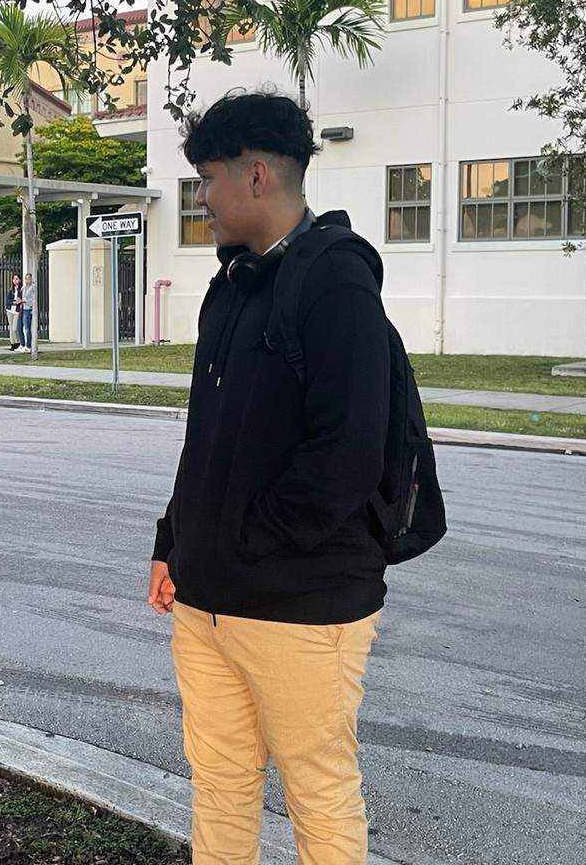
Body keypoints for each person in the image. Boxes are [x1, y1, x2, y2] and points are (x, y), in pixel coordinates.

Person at [148, 91, 391, 865]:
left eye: (208, 180)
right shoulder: (232, 286)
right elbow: (209, 438)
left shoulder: (336, 281)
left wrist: (247, 543)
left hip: (301, 605)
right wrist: (174, 542)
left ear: (255, 176)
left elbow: (348, 454)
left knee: (319, 797)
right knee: (219, 786)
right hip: (206, 601)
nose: (203, 201)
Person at [4, 273, 23, 352]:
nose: (15, 280)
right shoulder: (10, 290)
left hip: (17, 311)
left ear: (20, 280)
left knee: (15, 328)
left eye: (17, 279)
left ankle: (18, 342)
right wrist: (14, 302)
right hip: (10, 310)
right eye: (14, 279)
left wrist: (18, 301)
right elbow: (8, 301)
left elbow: (21, 299)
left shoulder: (21, 290)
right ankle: (13, 343)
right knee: (11, 328)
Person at [20, 272, 36, 352]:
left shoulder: (33, 288)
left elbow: (33, 300)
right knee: (22, 327)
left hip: (28, 309)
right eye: (26, 278)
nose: (27, 280)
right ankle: (23, 344)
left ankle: (28, 346)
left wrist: (24, 300)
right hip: (23, 308)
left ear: (31, 279)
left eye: (29, 278)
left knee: (27, 328)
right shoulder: (23, 288)